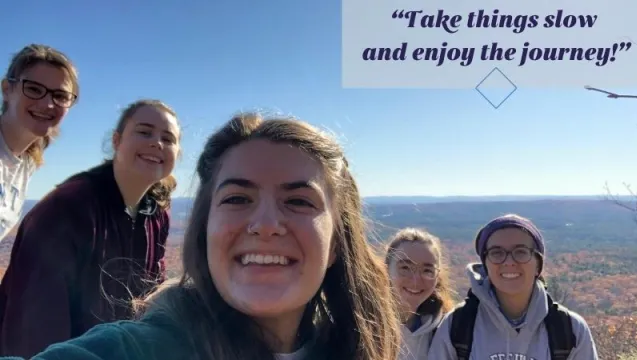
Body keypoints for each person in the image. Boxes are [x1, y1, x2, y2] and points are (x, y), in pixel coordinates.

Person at [8, 112, 402, 360]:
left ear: (336, 242)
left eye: (298, 201)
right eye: (237, 198)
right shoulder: (139, 349)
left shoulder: (351, 345)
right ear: (204, 231)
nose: (265, 224)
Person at [0, 99, 181, 358]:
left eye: (169, 138)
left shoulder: (156, 212)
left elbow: (150, 295)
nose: (157, 143)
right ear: (117, 141)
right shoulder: (67, 209)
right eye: (144, 131)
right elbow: (35, 324)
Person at [427, 214, 599, 360]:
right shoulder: (458, 326)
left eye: (521, 251)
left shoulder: (569, 330)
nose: (509, 262)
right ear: (486, 264)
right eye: (497, 253)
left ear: (538, 265)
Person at [0, 44, 79, 242]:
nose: (48, 104)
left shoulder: (26, 162)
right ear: (7, 90)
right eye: (34, 89)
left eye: (60, 96)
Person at [385, 228, 455, 360]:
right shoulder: (361, 327)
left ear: (437, 277)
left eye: (427, 270)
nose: (416, 280)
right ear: (386, 269)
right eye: (405, 268)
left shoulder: (449, 331)